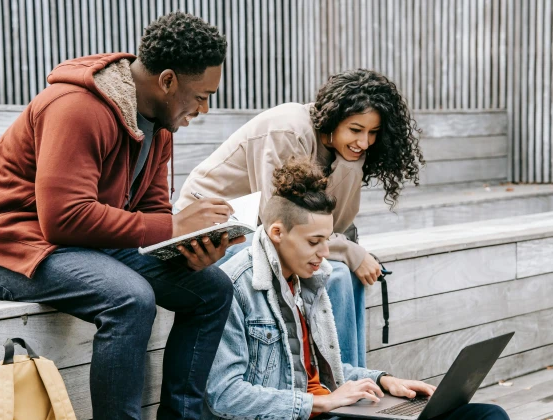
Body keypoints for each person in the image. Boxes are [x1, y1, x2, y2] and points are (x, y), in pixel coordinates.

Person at [0, 13, 263, 420]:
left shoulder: (160, 123)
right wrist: (169, 228)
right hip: (3, 245)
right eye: (201, 95)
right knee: (129, 297)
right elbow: (63, 217)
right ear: (167, 82)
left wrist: (190, 244)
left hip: (83, 243)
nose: (203, 109)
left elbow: (155, 212)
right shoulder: (78, 107)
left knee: (209, 288)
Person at [197, 158, 525, 420]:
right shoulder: (233, 286)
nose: (325, 254)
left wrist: (384, 381)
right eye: (315, 241)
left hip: (328, 417)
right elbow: (224, 394)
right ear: (277, 232)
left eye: (328, 240)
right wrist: (320, 404)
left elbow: (317, 371)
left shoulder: (306, 278)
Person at [174, 69, 425, 367]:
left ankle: (351, 381)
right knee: (336, 274)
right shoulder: (289, 132)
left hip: (265, 232)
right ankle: (337, 394)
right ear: (334, 118)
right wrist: (349, 251)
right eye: (356, 130)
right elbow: (277, 223)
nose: (365, 142)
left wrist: (349, 165)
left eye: (372, 133)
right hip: (214, 233)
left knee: (349, 276)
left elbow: (336, 225)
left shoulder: (341, 148)